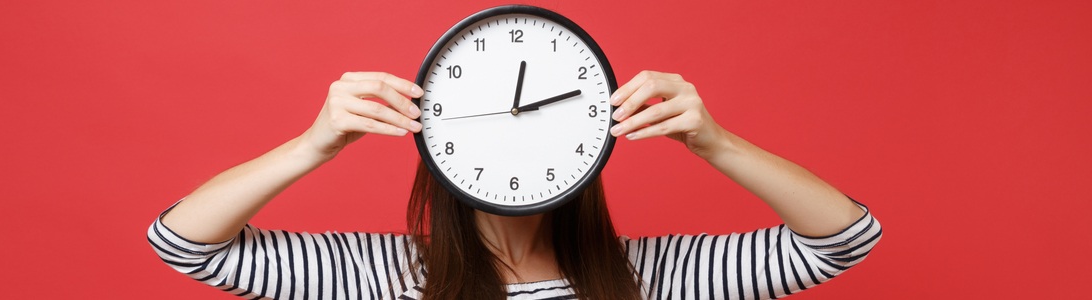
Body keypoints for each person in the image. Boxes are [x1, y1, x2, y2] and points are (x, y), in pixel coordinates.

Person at [148, 71, 882, 299]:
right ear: (438, 158)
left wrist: (714, 143)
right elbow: (185, 244)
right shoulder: (380, 275)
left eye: (541, 134)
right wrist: (312, 147)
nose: (513, 158)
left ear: (587, 156)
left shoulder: (649, 277)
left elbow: (843, 238)